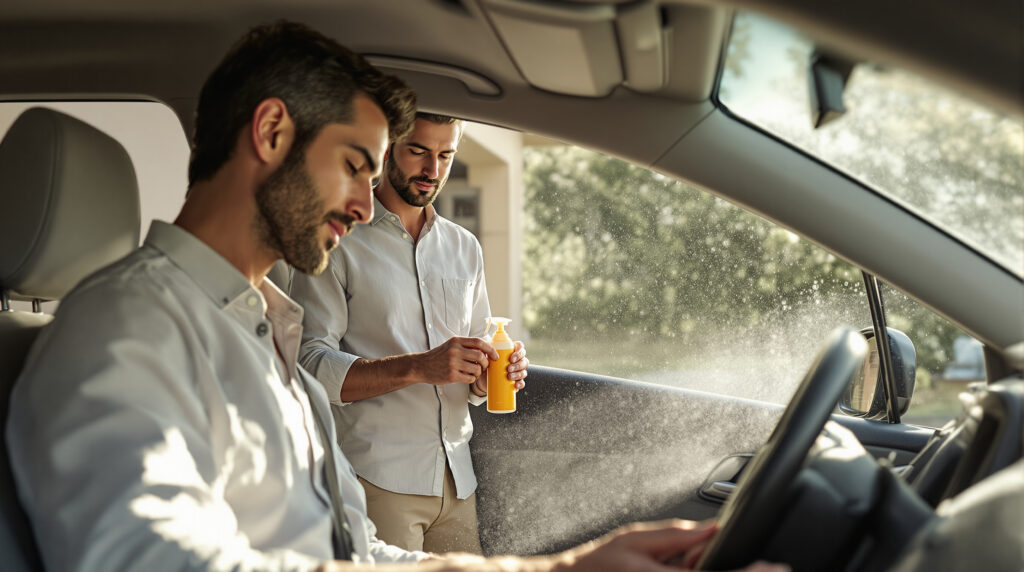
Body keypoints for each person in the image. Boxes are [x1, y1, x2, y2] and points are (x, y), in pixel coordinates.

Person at [5, 19, 783, 572]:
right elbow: (149, 562)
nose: (362, 198)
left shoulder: (259, 337)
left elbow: (357, 551)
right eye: (353, 163)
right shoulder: (124, 327)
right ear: (272, 132)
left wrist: (569, 568)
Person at [288, 112, 528, 554]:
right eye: (418, 151)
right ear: (386, 149)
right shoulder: (337, 240)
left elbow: (476, 364)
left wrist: (487, 375)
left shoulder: (464, 248)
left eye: (445, 155)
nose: (432, 170)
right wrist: (419, 366)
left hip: (458, 483)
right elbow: (307, 365)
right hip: (379, 482)